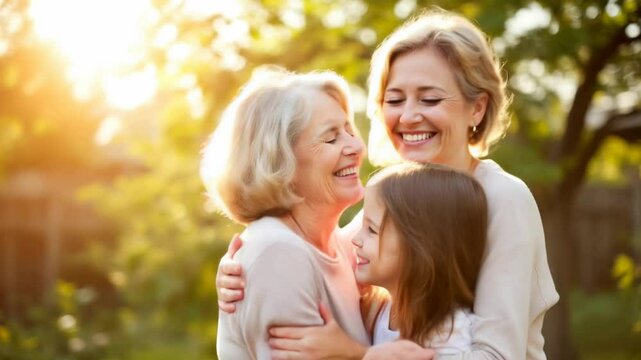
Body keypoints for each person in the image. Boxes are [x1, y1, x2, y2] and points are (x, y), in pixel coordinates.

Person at [217, 8, 559, 359]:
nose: (409, 116)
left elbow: (497, 356)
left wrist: (355, 354)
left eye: (430, 99)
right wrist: (241, 271)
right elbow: (327, 256)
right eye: (394, 100)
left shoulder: (502, 198)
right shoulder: (396, 196)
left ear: (476, 108)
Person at [201, 67, 376, 359]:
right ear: (281, 162)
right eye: (331, 139)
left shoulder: (342, 245)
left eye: (349, 130)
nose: (357, 147)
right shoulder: (277, 253)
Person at [355, 162, 488, 354]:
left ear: (418, 246)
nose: (356, 239)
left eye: (371, 230)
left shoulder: (446, 331)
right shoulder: (382, 309)